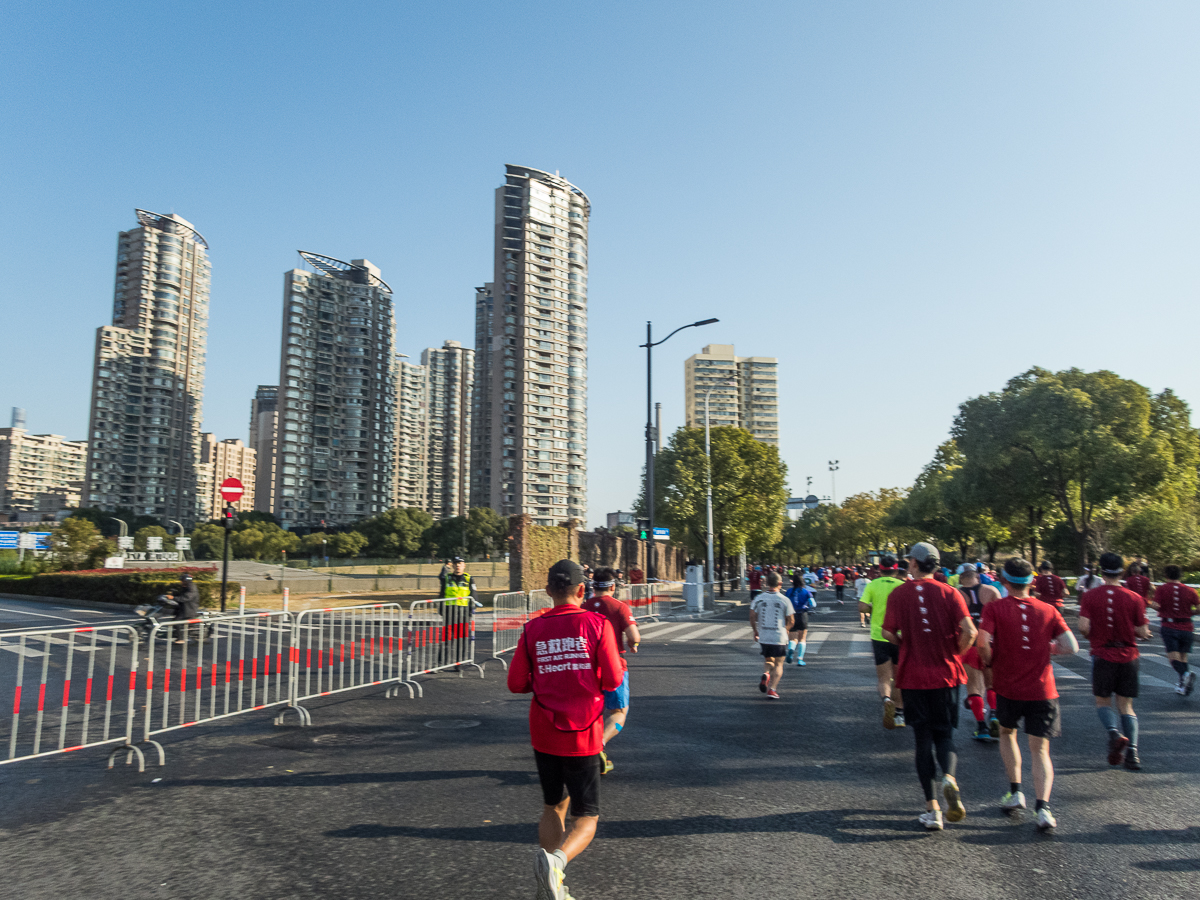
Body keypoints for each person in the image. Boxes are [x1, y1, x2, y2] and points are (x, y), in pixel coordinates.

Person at [507, 560, 624, 900]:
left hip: (544, 729)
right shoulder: (596, 624)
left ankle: (550, 885)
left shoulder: (533, 629)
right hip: (585, 730)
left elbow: (516, 683)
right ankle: (557, 863)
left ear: (547, 592)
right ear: (582, 591)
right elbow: (614, 678)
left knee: (552, 806)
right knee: (587, 818)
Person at [977, 557, 1078, 832]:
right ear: (1032, 582)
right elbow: (1072, 645)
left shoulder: (995, 608)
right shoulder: (1048, 610)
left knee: (1008, 735)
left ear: (1004, 581)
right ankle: (1043, 808)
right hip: (1043, 690)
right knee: (1041, 749)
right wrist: (1050, 649)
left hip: (1008, 686)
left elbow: (982, 641)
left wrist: (988, 661)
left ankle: (1015, 792)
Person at [882, 542, 976, 831]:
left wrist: (906, 645)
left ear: (913, 564)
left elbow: (887, 632)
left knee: (922, 740)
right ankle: (949, 777)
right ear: (936, 566)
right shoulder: (951, 593)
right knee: (944, 735)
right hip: (946, 674)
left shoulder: (899, 593)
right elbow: (970, 631)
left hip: (913, 676)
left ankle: (932, 810)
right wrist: (955, 653)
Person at [1078, 552, 1151, 771]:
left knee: (1103, 702)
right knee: (1126, 706)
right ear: (1122, 572)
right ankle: (1133, 753)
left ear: (1101, 570)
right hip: (1128, 656)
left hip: (1103, 655)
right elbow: (1142, 630)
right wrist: (1141, 633)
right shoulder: (1134, 598)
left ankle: (1113, 733)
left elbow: (1083, 627)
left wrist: (1094, 636)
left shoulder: (1090, 596)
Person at [583, 567, 641, 775]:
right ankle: (598, 745)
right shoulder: (620, 607)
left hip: (587, 667)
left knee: (591, 711)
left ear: (592, 586)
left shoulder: (584, 607)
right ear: (613, 586)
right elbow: (634, 636)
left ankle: (584, 749)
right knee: (618, 714)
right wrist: (632, 643)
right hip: (614, 665)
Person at [859, 557, 907, 730]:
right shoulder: (902, 585)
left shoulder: (873, 584)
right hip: (899, 636)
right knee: (899, 677)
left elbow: (861, 607)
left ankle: (886, 700)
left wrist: (875, 609)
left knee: (884, 678)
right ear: (896, 569)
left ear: (880, 569)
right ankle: (900, 715)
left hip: (878, 636)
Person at [958, 566, 1002, 742]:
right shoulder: (991, 591)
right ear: (978, 576)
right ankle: (994, 714)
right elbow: (1001, 617)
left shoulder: (955, 594)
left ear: (960, 578)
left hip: (969, 644)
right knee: (992, 684)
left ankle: (981, 727)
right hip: (990, 642)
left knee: (974, 687)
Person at [1149, 564, 1199, 696]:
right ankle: (1183, 686)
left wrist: (1152, 604)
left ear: (1166, 575)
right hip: (1187, 626)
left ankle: (1185, 675)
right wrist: (1191, 613)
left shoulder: (1162, 589)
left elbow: (1156, 605)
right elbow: (1199, 607)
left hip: (1169, 626)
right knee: (1183, 656)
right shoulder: (1190, 590)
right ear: (1180, 575)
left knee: (1172, 657)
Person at [750, 572, 793, 699]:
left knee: (768, 659)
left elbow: (752, 616)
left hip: (764, 636)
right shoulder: (784, 599)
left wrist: (755, 631)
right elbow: (791, 621)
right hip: (779, 636)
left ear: (767, 583)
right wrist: (786, 630)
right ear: (780, 583)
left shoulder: (759, 598)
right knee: (779, 663)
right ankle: (772, 689)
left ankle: (766, 674)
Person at [438, 556, 474, 665]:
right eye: (456, 563)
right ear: (453, 565)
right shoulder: (447, 578)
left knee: (461, 639)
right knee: (447, 638)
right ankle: (441, 662)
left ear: (464, 565)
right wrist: (440, 608)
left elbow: (473, 595)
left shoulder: (468, 579)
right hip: (449, 612)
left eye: (460, 563)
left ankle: (459, 663)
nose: (458, 565)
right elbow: (441, 594)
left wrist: (471, 610)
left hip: (463, 613)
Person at [785, 577, 816, 665]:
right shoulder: (806, 592)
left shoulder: (788, 591)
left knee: (792, 637)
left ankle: (791, 649)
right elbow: (813, 604)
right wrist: (809, 608)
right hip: (802, 615)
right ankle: (800, 659)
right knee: (802, 638)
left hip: (791, 615)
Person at [168, 573, 201, 644]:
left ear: (186, 581)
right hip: (184, 607)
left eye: (182, 580)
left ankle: (181, 639)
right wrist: (173, 595)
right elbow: (181, 595)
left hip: (189, 608)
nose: (181, 582)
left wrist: (174, 598)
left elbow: (186, 598)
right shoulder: (187, 587)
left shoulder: (192, 588)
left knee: (176, 621)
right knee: (173, 616)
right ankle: (176, 634)